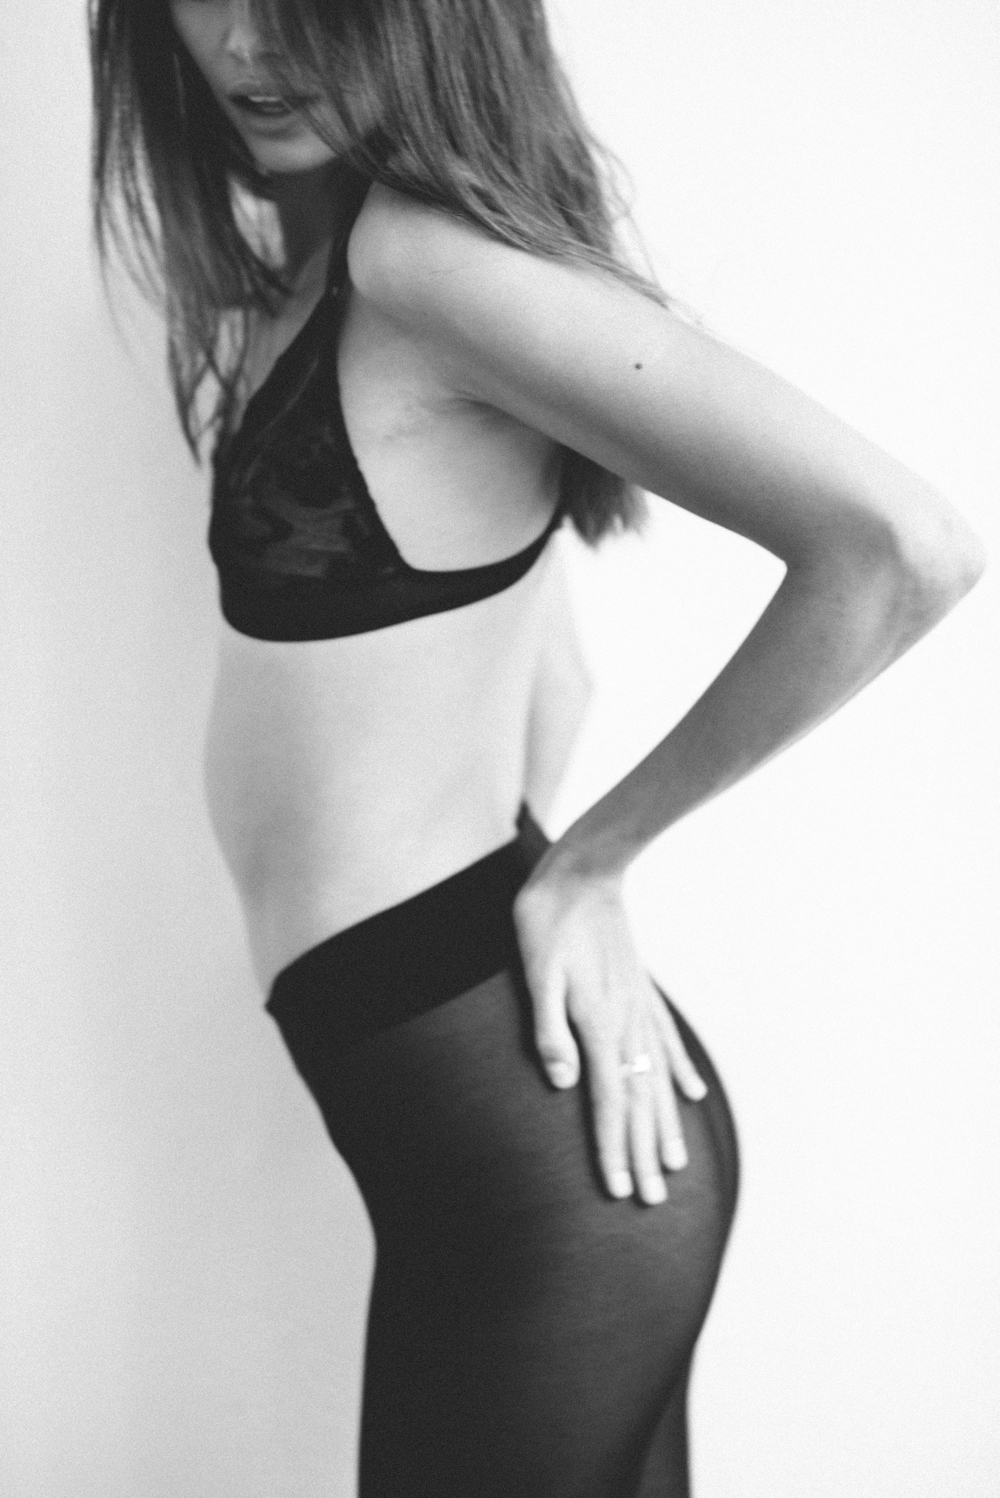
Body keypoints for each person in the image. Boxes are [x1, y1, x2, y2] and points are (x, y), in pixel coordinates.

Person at [89, 1, 985, 1493]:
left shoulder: (418, 265)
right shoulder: (336, 256)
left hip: (537, 1184)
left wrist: (590, 865)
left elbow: (901, 548)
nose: (247, 41)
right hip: (491, 1142)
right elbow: (552, 657)